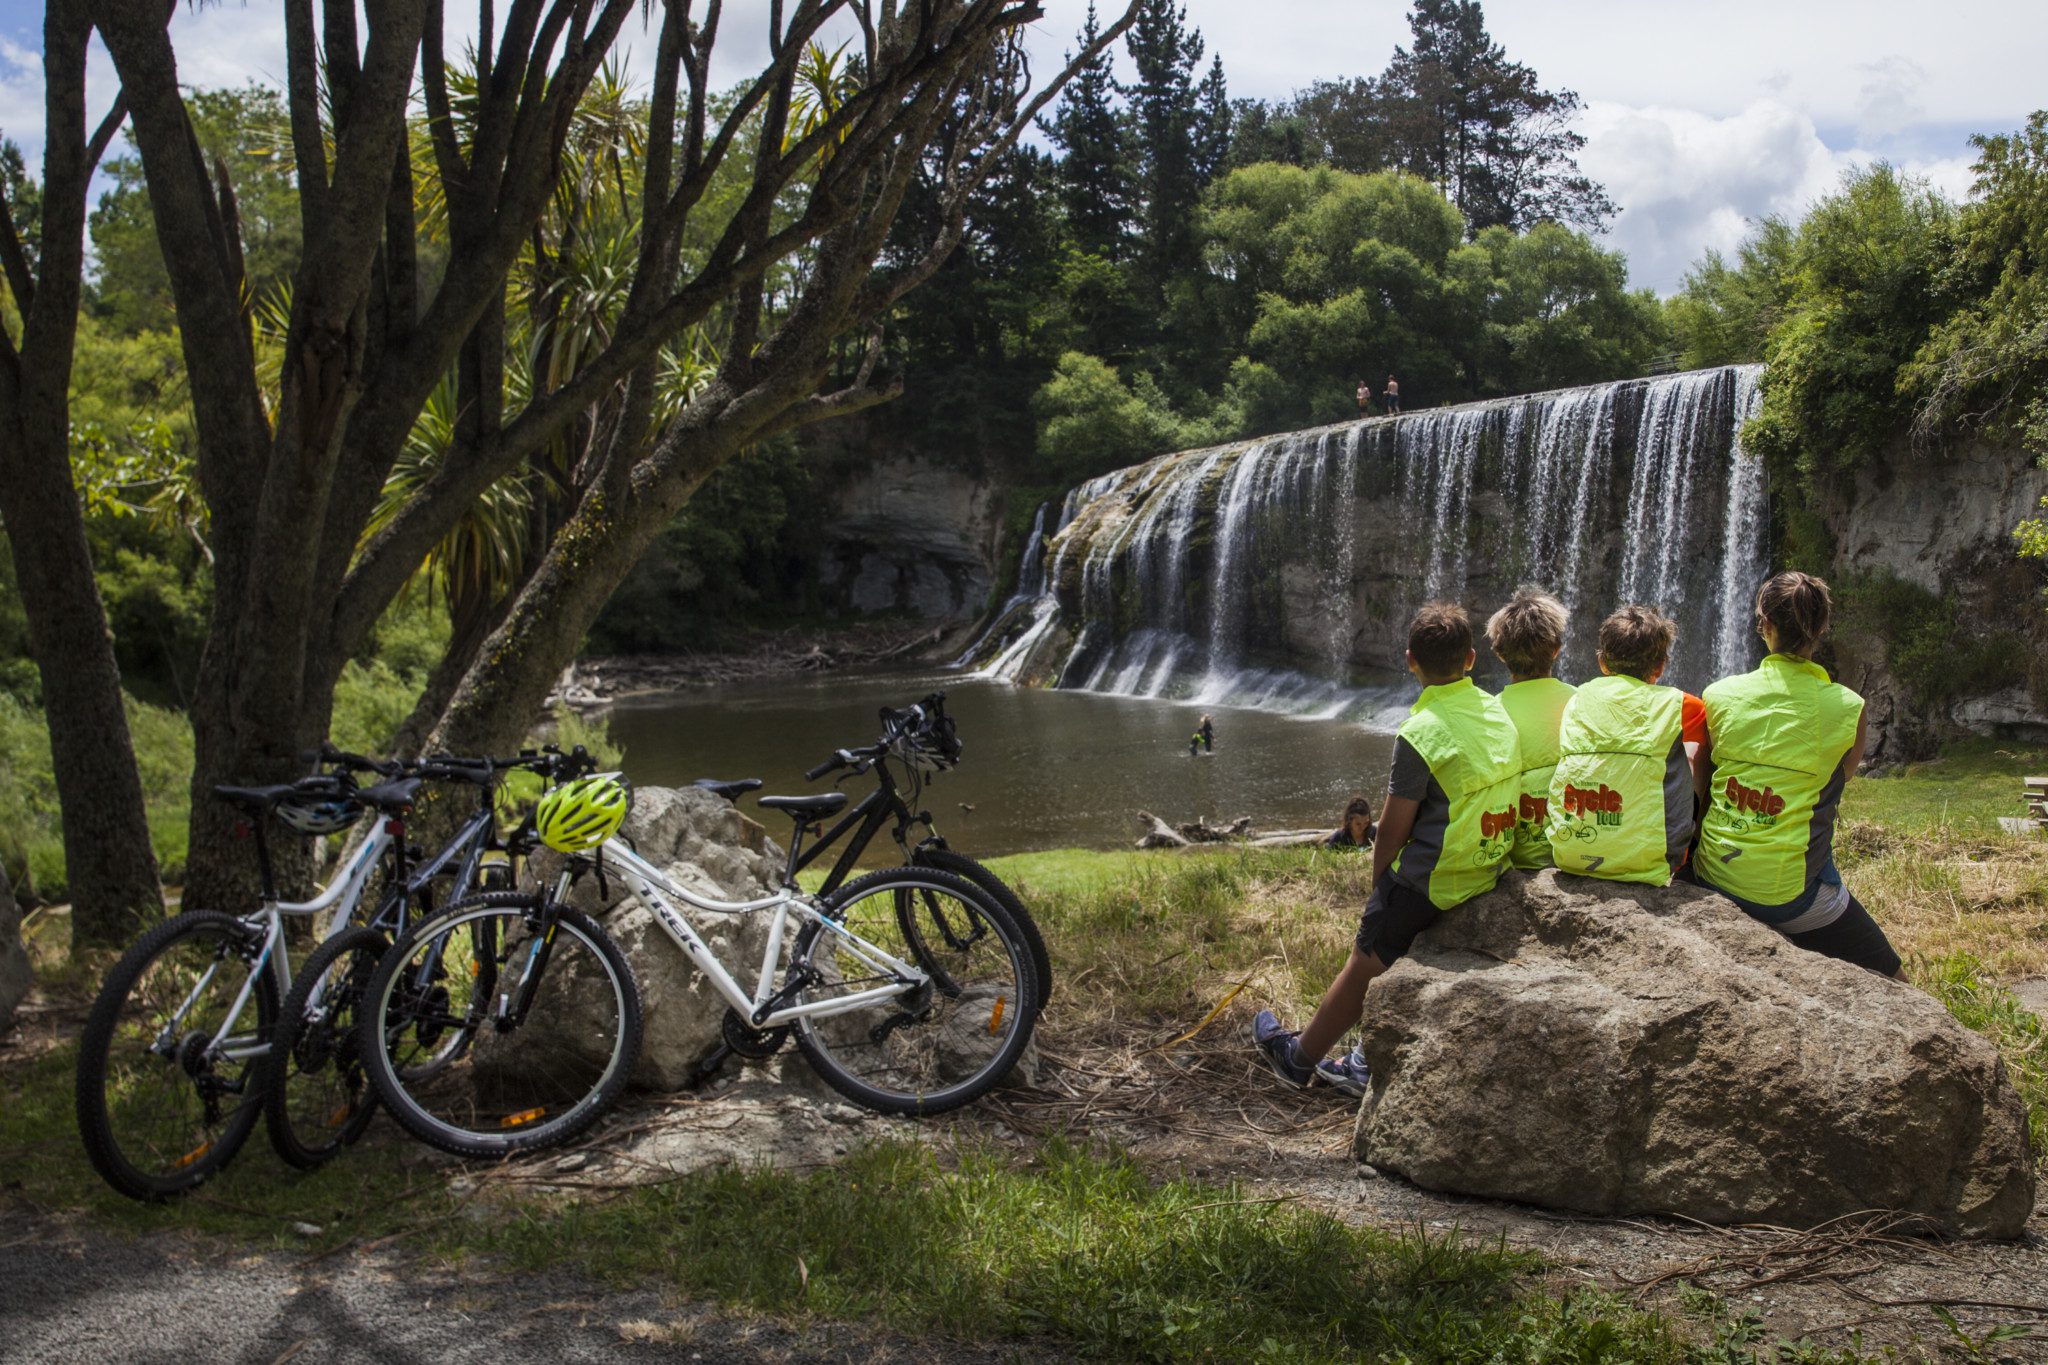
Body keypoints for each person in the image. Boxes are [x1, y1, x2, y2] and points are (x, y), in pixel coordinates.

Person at [1253, 603, 1520, 1097]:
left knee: (1366, 959)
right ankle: (1360, 1057)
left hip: (1432, 882)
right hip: (1487, 864)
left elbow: (1393, 829)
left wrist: (1380, 887)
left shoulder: (1421, 732)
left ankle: (1298, 1059)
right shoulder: (1497, 710)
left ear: (1409, 661)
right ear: (1471, 659)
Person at [1693, 572, 1903, 977]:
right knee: (1893, 977)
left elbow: (1703, 781)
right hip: (1791, 899)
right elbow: (1841, 778)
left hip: (1712, 876)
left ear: (1764, 625)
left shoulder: (1718, 694)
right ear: (1821, 628)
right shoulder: (1848, 708)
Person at [1546, 605, 1695, 886]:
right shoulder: (1680, 704)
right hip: (1651, 861)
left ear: (1602, 663)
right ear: (1661, 666)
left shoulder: (1576, 698)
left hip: (1571, 853)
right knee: (1691, 752)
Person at [1485, 587, 1574, 871]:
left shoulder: (1489, 712)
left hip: (1511, 854)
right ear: (1557, 649)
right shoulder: (1580, 702)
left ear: (1499, 653)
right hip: (1571, 848)